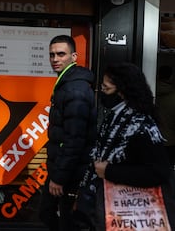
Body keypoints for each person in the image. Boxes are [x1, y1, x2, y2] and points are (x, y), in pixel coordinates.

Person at [83, 62, 173, 230]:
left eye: (107, 88)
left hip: (131, 211)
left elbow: (158, 171)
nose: (102, 91)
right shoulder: (117, 116)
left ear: (123, 92)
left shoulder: (139, 125)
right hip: (114, 207)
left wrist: (109, 171)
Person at [39, 35, 97, 230]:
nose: (55, 59)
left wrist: (59, 177)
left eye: (61, 54)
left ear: (73, 56)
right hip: (65, 169)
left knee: (64, 219)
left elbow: (74, 139)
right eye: (52, 55)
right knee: (51, 214)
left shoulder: (75, 90)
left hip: (70, 172)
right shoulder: (66, 84)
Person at [156, 65, 175, 167]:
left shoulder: (150, 91)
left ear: (158, 75)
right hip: (170, 142)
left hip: (152, 140)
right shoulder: (173, 96)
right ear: (171, 77)